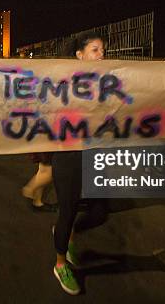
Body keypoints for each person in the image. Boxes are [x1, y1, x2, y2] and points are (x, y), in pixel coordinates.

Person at [51, 31, 107, 295]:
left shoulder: (109, 82)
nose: (101, 54)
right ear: (79, 55)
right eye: (95, 50)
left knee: (98, 212)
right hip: (68, 156)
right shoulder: (63, 81)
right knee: (69, 210)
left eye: (103, 50)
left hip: (95, 154)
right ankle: (61, 263)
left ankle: (66, 230)